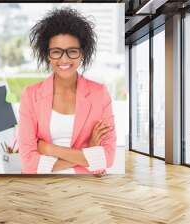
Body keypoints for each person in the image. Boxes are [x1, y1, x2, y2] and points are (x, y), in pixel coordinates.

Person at [18, 7, 116, 175]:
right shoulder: (31, 95)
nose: (64, 59)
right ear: (48, 55)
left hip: (86, 188)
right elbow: (28, 163)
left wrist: (49, 148)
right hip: (42, 188)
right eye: (56, 52)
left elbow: (107, 158)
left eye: (72, 51)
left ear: (82, 54)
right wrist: (89, 153)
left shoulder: (99, 94)